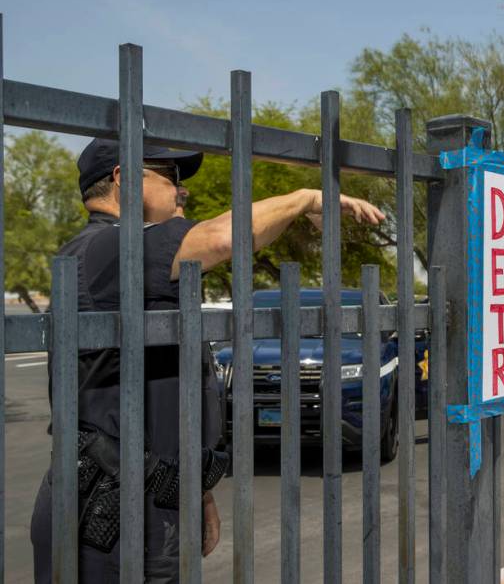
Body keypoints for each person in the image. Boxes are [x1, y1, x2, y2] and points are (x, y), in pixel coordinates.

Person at [30, 138, 384, 583]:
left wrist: (197, 493)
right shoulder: (104, 249)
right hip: (106, 515)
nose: (183, 191)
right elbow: (223, 237)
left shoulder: (134, 260)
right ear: (124, 178)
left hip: (148, 500)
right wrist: (305, 198)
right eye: (171, 178)